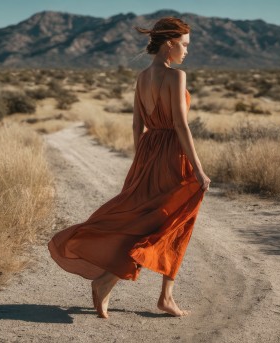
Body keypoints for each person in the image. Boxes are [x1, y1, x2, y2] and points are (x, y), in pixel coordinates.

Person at [48, 17, 211, 319]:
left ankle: (117, 282)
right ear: (170, 43)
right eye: (185, 45)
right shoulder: (176, 77)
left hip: (148, 153)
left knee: (144, 220)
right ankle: (154, 294)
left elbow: (137, 123)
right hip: (172, 154)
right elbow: (179, 125)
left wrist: (142, 160)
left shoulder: (142, 77)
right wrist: (199, 170)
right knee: (175, 221)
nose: (186, 52)